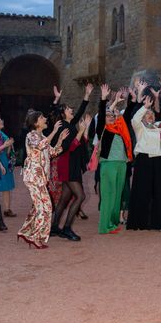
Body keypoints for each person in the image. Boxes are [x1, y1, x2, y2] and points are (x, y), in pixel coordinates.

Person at [18, 112, 68, 249]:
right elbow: (40, 146)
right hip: (33, 177)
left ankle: (26, 232)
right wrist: (54, 132)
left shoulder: (43, 136)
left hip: (40, 179)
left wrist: (60, 140)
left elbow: (52, 152)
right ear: (35, 123)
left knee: (38, 208)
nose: (45, 119)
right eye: (42, 118)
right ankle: (34, 236)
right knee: (45, 207)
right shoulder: (31, 135)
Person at [126, 93, 161, 231]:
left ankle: (158, 223)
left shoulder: (160, 128)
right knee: (142, 191)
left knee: (159, 192)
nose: (150, 115)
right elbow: (134, 120)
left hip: (158, 161)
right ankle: (140, 222)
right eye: (147, 114)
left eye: (152, 114)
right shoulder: (140, 127)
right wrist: (145, 107)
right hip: (143, 160)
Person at [50, 83, 93, 241]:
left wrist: (86, 96)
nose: (71, 110)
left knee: (64, 198)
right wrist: (81, 131)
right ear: (62, 113)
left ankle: (54, 228)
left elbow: (80, 143)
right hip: (67, 165)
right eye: (68, 109)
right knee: (80, 196)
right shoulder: (63, 127)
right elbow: (69, 147)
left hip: (70, 165)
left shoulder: (69, 125)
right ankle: (67, 228)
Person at [95, 85, 135, 234]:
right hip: (109, 164)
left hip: (122, 163)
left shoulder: (120, 130)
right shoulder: (103, 130)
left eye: (112, 116)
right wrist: (105, 99)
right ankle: (104, 226)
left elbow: (128, 112)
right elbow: (101, 114)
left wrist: (129, 98)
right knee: (108, 194)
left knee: (117, 195)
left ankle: (111, 223)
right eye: (108, 116)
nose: (111, 117)